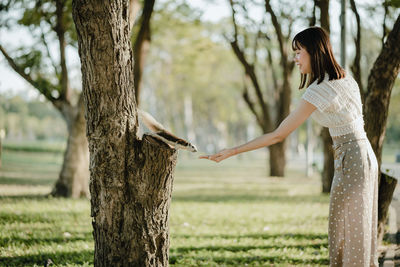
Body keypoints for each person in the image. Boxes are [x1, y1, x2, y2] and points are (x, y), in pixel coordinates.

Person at [200, 26, 378, 267]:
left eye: (299, 52)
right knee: (356, 228)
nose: (295, 59)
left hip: (351, 157)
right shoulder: (345, 78)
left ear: (315, 52)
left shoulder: (320, 90)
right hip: (363, 154)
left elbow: (277, 135)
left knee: (346, 230)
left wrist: (232, 151)